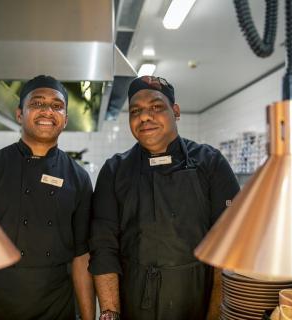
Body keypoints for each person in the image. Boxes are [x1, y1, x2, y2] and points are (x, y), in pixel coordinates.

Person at [0, 75, 95, 320]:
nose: (47, 110)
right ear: (19, 114)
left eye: (57, 106)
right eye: (37, 103)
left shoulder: (78, 178)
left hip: (55, 309)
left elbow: (82, 257)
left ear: (65, 119)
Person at [89, 76, 240, 320]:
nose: (144, 117)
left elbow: (230, 249)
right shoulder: (115, 170)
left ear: (176, 111)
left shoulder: (210, 163)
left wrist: (215, 315)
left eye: (156, 107)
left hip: (197, 302)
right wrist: (109, 313)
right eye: (135, 111)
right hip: (135, 304)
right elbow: (103, 248)